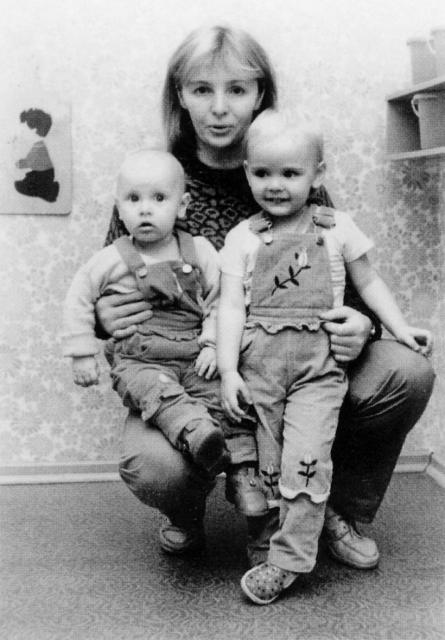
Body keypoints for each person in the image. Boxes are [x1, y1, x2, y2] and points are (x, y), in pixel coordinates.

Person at [95, 25, 434, 569]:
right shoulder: (155, 181)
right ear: (180, 95)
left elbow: (347, 278)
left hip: (300, 361)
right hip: (199, 374)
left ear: (260, 95)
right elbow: (108, 286)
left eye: (237, 89)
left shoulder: (294, 170)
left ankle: (332, 510)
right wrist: (103, 316)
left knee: (408, 371)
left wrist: (362, 325)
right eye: (202, 89)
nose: (219, 108)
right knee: (153, 466)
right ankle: (187, 511)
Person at [217, 108, 433, 604]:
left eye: (290, 173)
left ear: (318, 175)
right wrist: (228, 370)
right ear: (247, 172)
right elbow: (230, 306)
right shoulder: (242, 238)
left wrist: (400, 328)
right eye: (262, 173)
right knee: (268, 460)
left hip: (318, 370)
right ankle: (267, 540)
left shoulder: (337, 228)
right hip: (259, 367)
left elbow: (369, 282)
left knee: (307, 458)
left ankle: (290, 560)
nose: (275, 185)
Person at [63, 148, 233, 483]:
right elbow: (78, 298)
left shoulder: (200, 250)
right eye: (133, 199)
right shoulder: (111, 259)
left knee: (221, 398)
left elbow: (221, 299)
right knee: (156, 391)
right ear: (119, 208)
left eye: (158, 198)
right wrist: (82, 352)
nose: (145, 209)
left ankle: (238, 469)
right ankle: (196, 433)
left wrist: (213, 344)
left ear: (182, 205)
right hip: (140, 361)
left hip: (193, 355)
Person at [15, 108, 60, 202]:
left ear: (35, 130)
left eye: (25, 130)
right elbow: (31, 160)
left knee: (21, 186)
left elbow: (31, 161)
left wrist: (21, 164)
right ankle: (48, 189)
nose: (22, 134)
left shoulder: (38, 146)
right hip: (43, 173)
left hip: (44, 174)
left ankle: (48, 191)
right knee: (23, 183)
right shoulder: (38, 144)